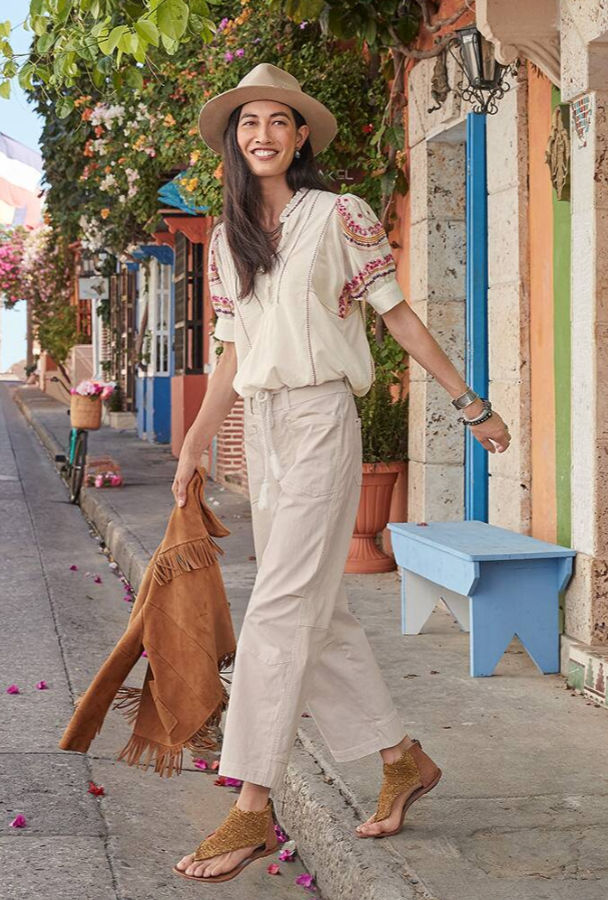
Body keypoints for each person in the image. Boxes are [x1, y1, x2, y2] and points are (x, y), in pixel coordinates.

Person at [172, 63, 510, 884]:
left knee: (280, 609)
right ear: (232, 138)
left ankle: (251, 807)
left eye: (279, 123)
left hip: (323, 420)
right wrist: (194, 442)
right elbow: (230, 353)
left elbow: (396, 317)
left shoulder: (339, 217)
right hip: (266, 432)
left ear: (300, 138)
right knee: (319, 615)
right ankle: (401, 758)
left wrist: (470, 404)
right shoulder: (224, 239)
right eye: (249, 122)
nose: (263, 134)